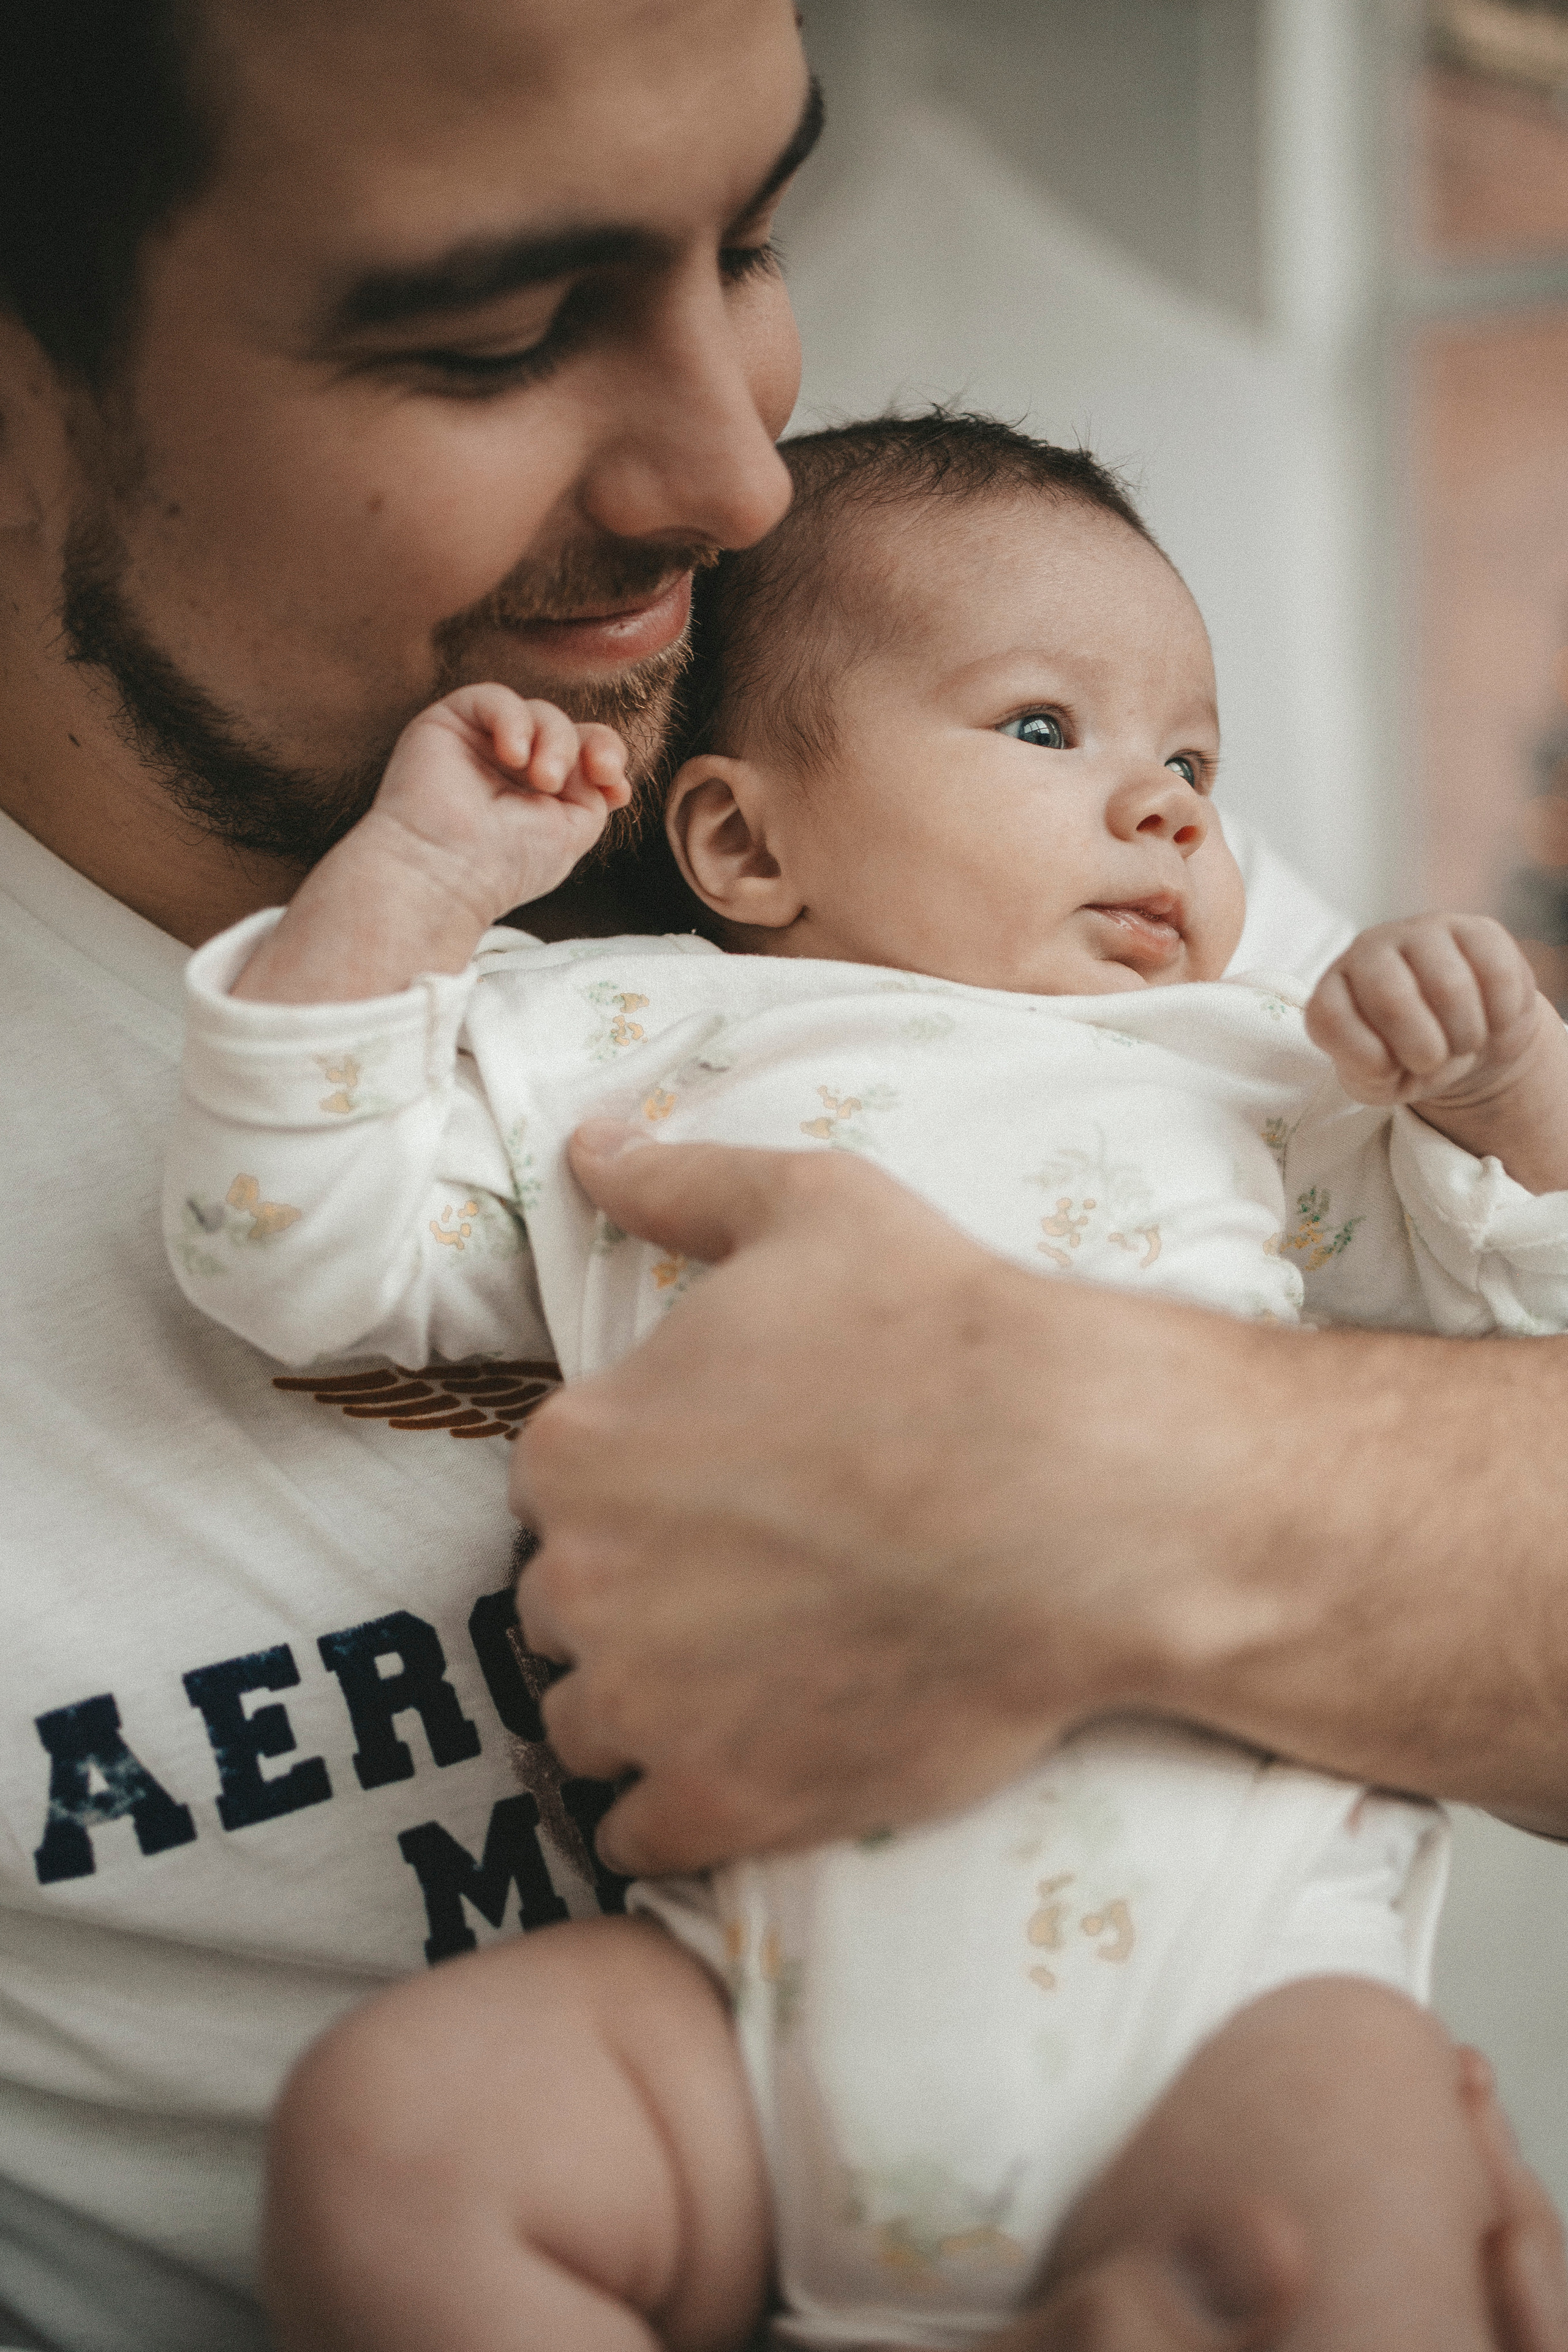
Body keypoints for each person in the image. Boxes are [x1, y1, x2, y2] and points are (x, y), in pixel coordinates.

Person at [0, 0, 1559, 2346]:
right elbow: (285, 1238)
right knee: (409, 2154)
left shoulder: (1162, 978)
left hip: (1209, 2025)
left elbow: (1494, 1305)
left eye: (753, 241)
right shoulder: (599, 1007)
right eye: (498, 333)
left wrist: (1150, 1473)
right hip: (718, 2066)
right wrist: (413, 901)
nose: (739, 479)